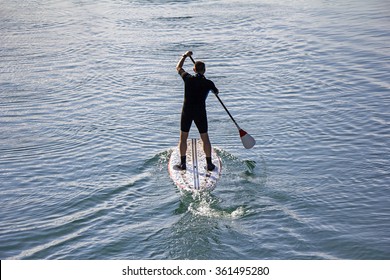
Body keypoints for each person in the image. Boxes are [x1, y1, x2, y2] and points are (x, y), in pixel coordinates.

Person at [175, 51, 219, 171]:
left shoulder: (188, 78)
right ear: (204, 71)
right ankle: (209, 164)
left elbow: (178, 67)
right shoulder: (208, 83)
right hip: (200, 112)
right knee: (205, 137)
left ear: (194, 70)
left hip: (187, 111)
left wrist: (185, 56)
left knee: (183, 138)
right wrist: (210, 86)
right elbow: (216, 92)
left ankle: (183, 163)